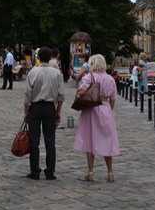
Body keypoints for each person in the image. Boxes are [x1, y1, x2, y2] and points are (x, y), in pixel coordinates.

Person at [73, 54, 120, 183]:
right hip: (105, 108)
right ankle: (110, 172)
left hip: (91, 109)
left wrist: (81, 89)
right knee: (107, 139)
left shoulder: (89, 77)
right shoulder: (110, 79)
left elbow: (81, 92)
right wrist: (108, 110)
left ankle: (91, 171)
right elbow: (113, 98)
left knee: (90, 140)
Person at [23, 46, 65, 181]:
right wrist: (58, 111)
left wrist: (26, 111)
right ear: (51, 57)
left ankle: (35, 171)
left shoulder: (33, 72)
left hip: (35, 107)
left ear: (39, 58)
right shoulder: (57, 73)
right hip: (49, 108)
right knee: (50, 140)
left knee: (34, 140)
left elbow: (27, 93)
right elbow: (61, 95)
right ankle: (50, 172)